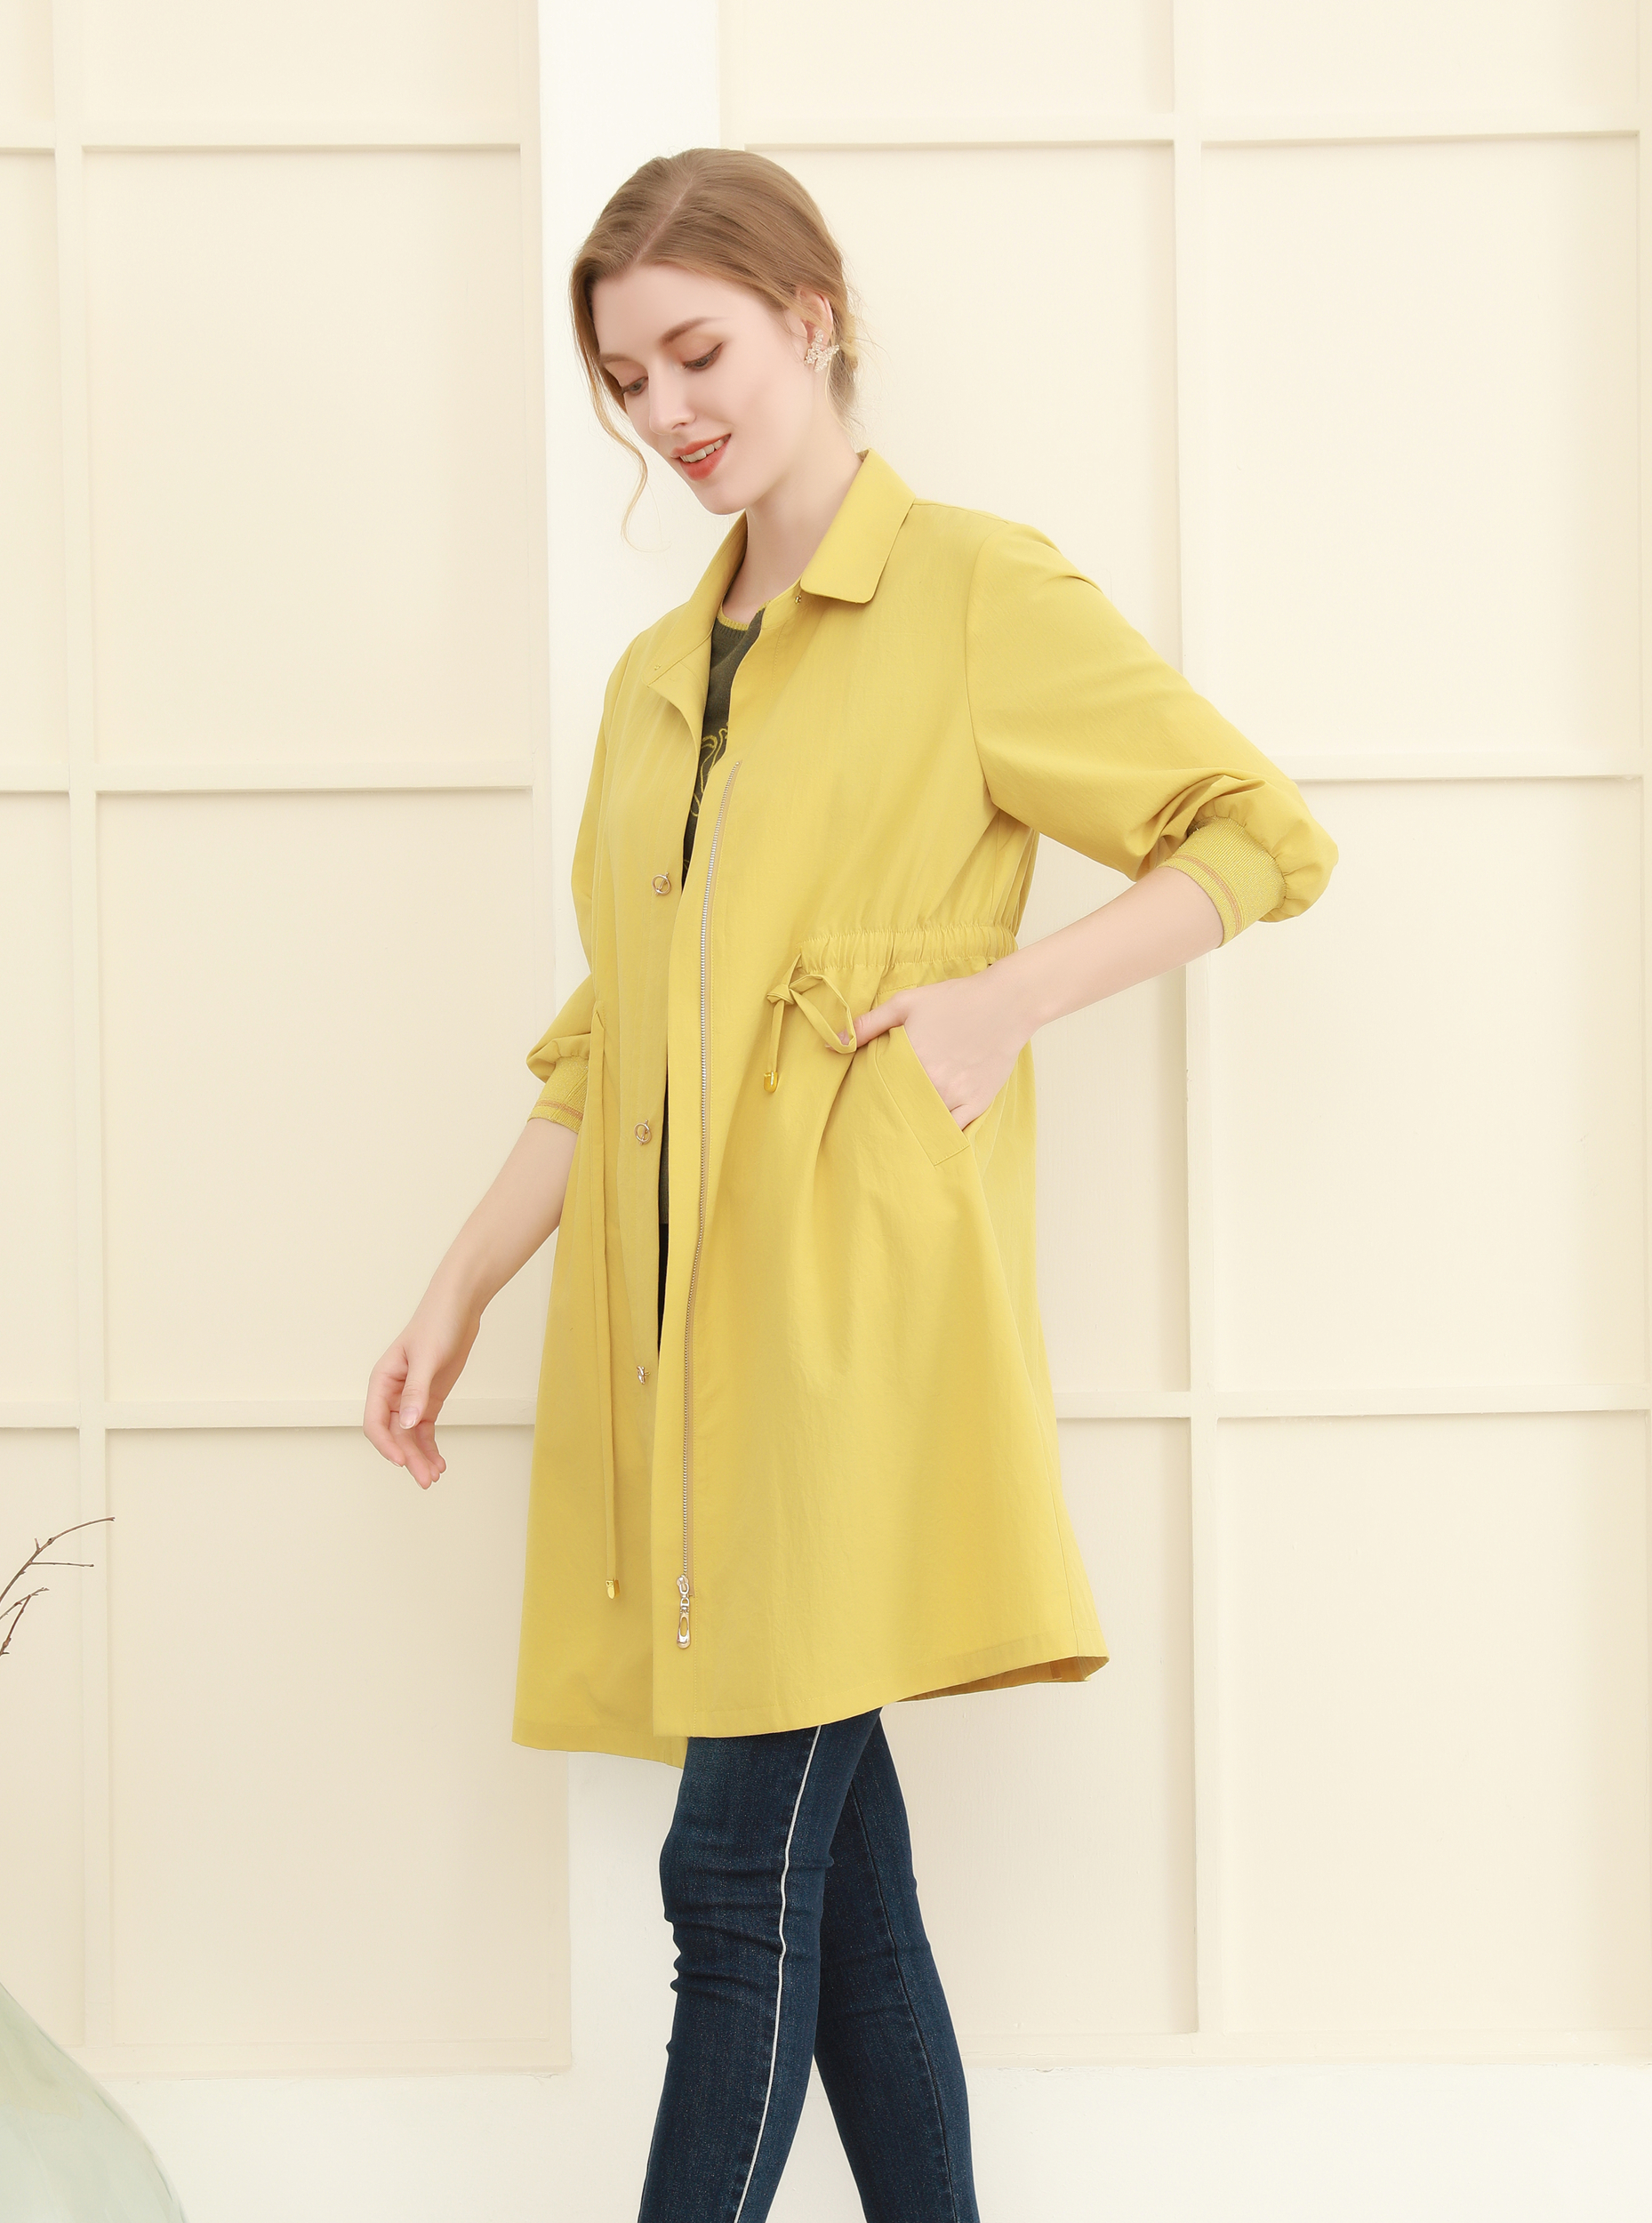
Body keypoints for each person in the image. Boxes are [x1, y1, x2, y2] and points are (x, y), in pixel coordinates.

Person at [365, 148, 1337, 2223]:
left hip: (857, 1337)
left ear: (809, 315)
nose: (665, 408)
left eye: (695, 350)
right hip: (678, 1347)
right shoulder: (655, 676)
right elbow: (611, 1028)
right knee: (847, 1899)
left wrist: (1005, 997)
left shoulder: (973, 591)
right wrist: (460, 1280)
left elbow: (1253, 835)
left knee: (729, 1876)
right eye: (626, 378)